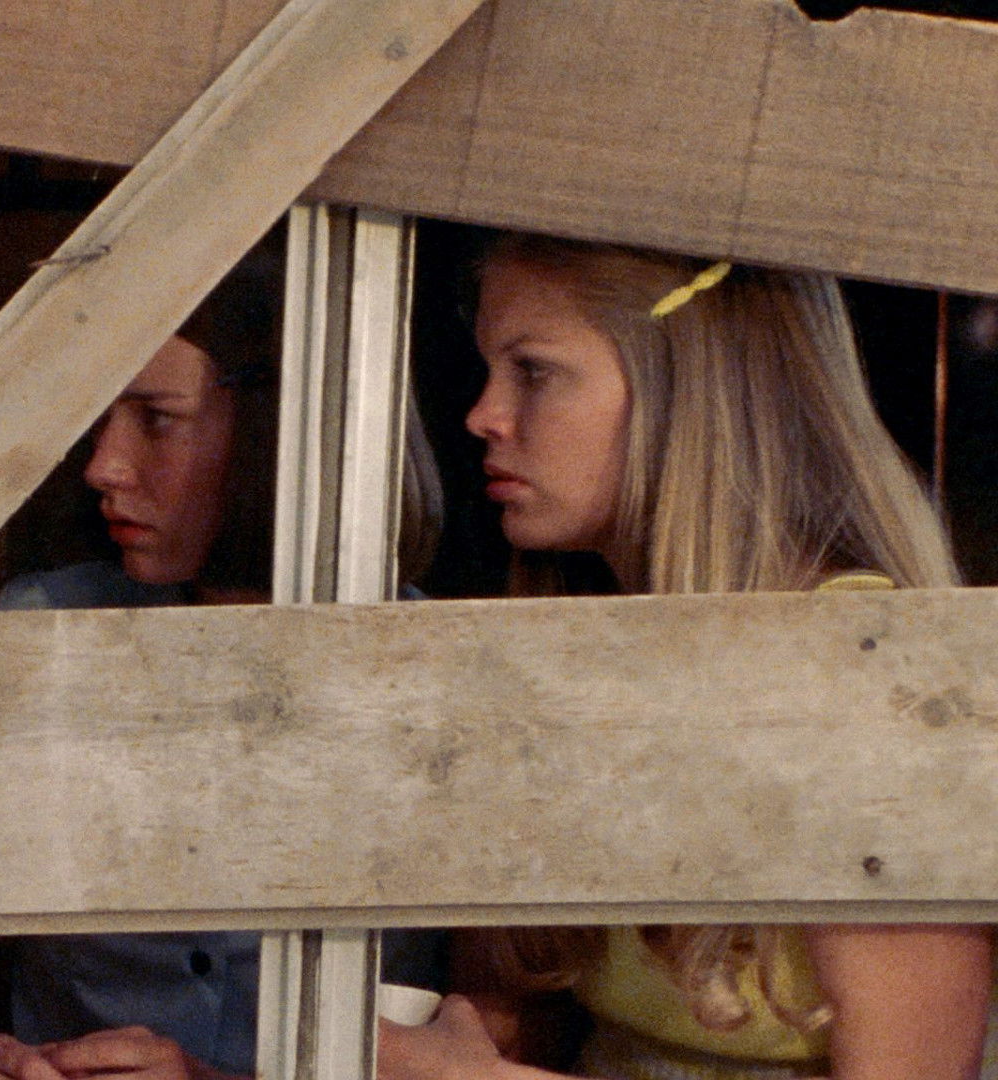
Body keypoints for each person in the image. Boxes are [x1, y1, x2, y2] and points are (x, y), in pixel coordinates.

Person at [378, 233, 993, 1080]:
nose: (483, 414)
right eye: (490, 371)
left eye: (534, 371)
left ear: (682, 385)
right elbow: (512, 1004)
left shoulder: (865, 675)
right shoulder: (570, 646)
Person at [0, 237, 448, 1080]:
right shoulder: (27, 637)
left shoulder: (444, 669)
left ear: (279, 426)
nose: (103, 466)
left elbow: (504, 1020)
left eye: (156, 419)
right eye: (101, 419)